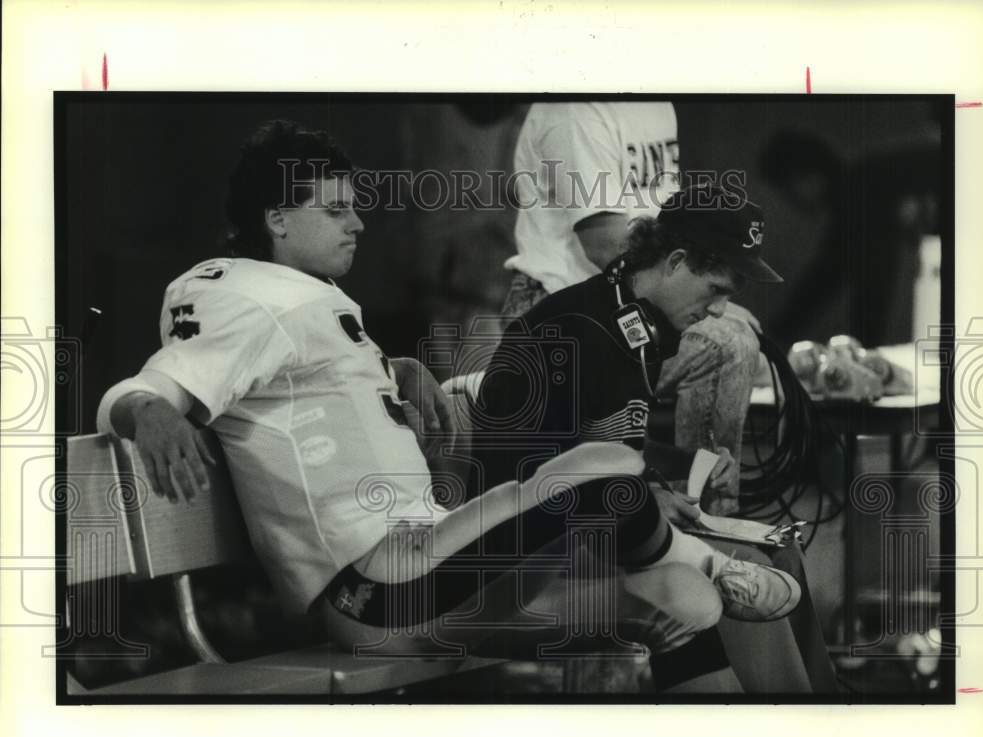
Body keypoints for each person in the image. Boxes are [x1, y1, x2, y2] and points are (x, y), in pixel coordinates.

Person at [96, 119, 761, 693]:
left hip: (421, 563)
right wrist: (150, 413)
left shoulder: (295, 296)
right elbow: (150, 387)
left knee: (670, 593)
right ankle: (708, 600)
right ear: (276, 219)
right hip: (380, 592)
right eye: (333, 211)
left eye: (352, 206)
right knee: (614, 499)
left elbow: (297, 386)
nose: (357, 223)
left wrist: (393, 369)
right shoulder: (247, 294)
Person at [472, 183, 832, 692]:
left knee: (781, 552)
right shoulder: (566, 332)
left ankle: (828, 709)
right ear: (677, 261)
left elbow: (608, 440)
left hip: (609, 528)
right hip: (533, 554)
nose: (718, 310)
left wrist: (683, 463)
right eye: (716, 289)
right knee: (746, 568)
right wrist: (641, 501)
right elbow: (528, 482)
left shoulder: (641, 325)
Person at [501, 101, 761, 515]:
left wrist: (707, 299)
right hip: (560, 303)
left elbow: (674, 232)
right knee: (727, 344)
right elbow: (606, 244)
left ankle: (698, 520)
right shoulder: (576, 108)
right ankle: (702, 530)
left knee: (739, 344)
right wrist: (706, 305)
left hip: (634, 298)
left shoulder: (657, 103)